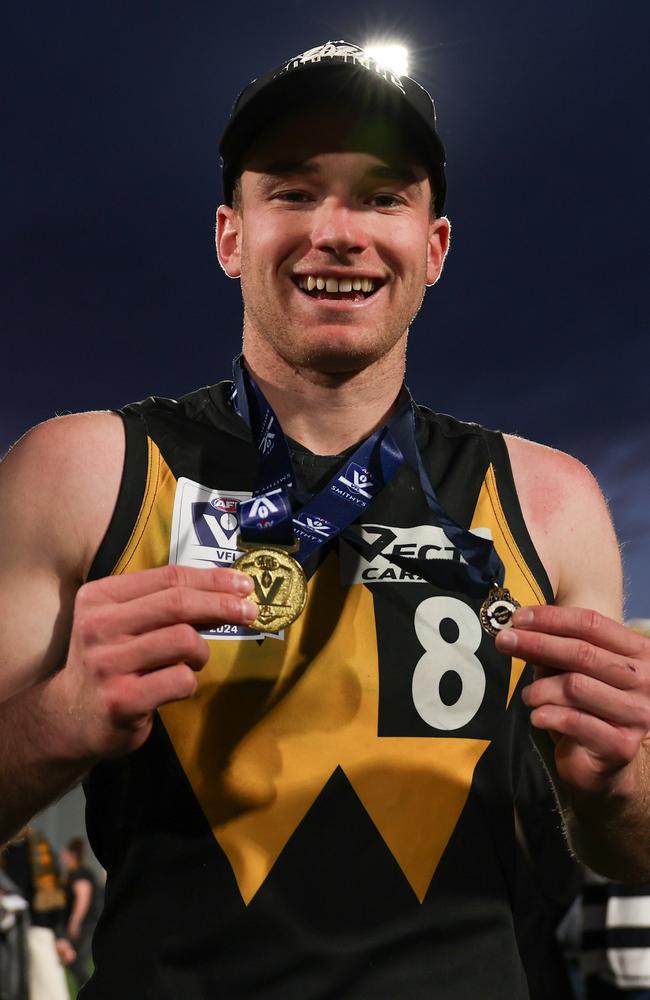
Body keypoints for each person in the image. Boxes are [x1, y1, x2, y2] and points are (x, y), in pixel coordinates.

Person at [0, 39, 649, 999]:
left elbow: (629, 851)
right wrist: (55, 722)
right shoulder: (84, 472)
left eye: (383, 197)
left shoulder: (549, 498)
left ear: (434, 247)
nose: (338, 231)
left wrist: (618, 788)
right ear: (230, 236)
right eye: (294, 193)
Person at [60, 838, 103, 991]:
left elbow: (83, 896)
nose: (63, 857)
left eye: (65, 853)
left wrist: (75, 921)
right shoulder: (75, 873)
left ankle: (93, 992)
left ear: (72, 854)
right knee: (73, 960)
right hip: (88, 923)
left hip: (88, 924)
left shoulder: (80, 873)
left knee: (76, 960)